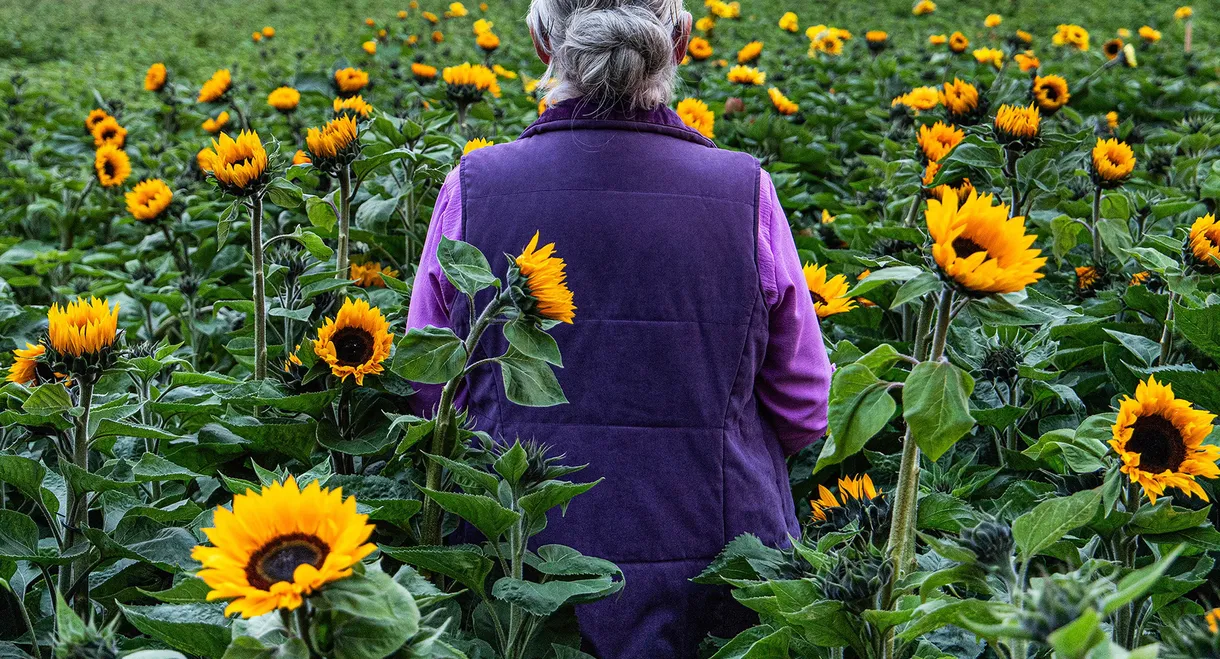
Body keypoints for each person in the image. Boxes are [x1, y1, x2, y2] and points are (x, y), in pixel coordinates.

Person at [405, 0, 832, 653]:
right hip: (716, 569)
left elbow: (431, 389)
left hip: (515, 571)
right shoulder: (746, 191)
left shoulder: (475, 186)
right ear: (680, 40)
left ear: (542, 42)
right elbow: (805, 407)